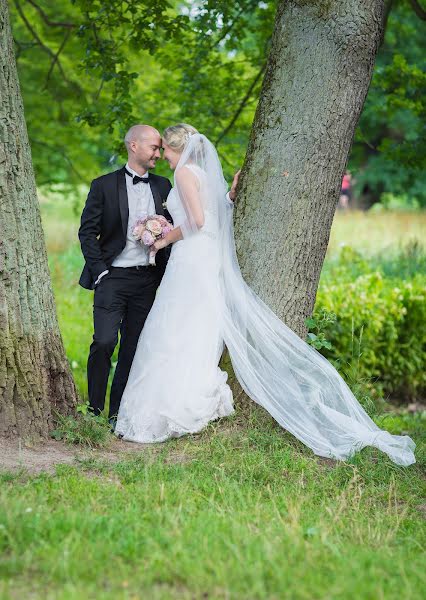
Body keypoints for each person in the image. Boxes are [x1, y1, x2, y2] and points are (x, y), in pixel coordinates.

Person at [115, 124, 415, 467]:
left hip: (190, 259)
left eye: (164, 150)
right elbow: (215, 214)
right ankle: (182, 397)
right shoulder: (199, 172)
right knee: (191, 326)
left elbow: (197, 220)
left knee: (174, 327)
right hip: (203, 258)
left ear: (175, 148)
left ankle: (170, 406)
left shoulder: (184, 172)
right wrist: (228, 196)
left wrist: (162, 239)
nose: (161, 156)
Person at [78, 125, 172, 421]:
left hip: (147, 280)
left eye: (160, 149)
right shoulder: (103, 185)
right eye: (154, 148)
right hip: (112, 277)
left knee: (132, 347)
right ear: (134, 146)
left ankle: (117, 415)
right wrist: (101, 272)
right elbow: (86, 232)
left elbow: (187, 220)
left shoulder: (164, 186)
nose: (158, 153)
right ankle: (93, 411)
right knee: (104, 341)